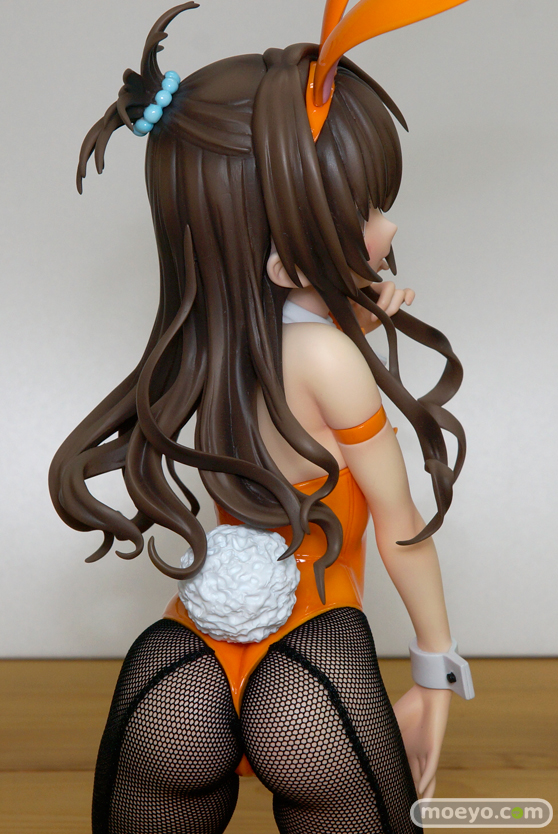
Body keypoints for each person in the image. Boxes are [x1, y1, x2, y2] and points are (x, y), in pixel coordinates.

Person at [49, 2, 472, 832]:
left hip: (177, 673)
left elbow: (290, 356)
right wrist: (435, 671)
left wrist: (353, 310)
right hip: (307, 678)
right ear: (285, 257)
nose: (388, 228)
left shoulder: (207, 344)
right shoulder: (329, 361)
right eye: (364, 212)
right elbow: (399, 525)